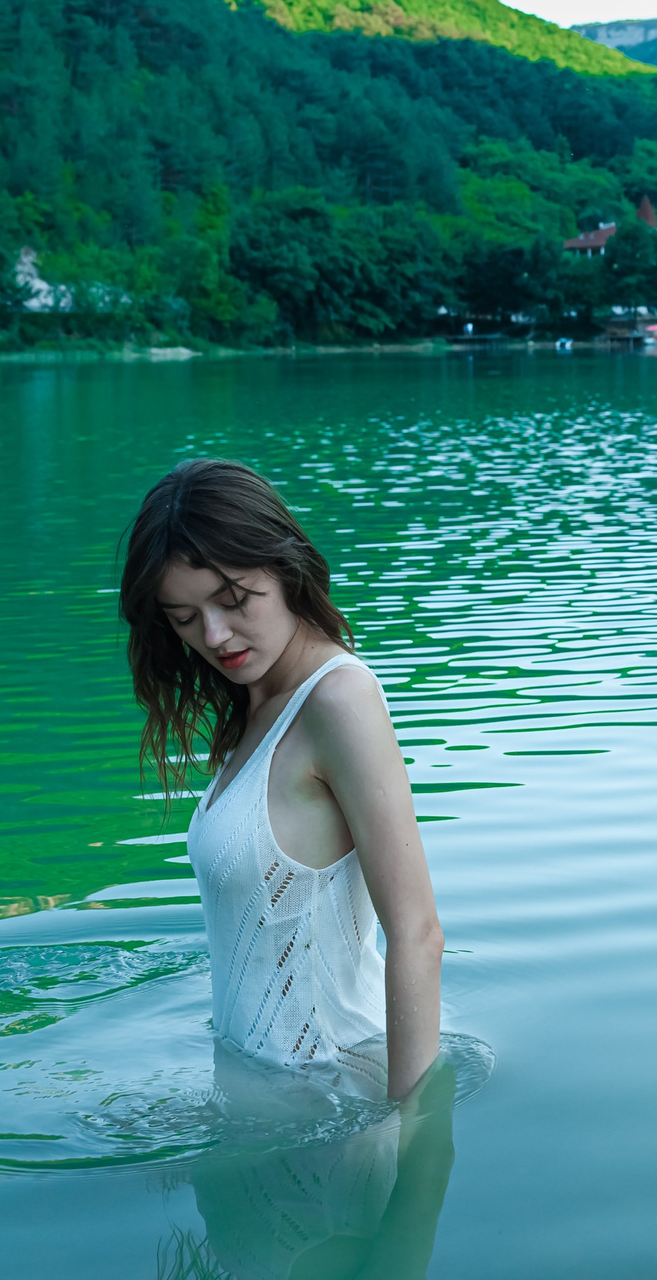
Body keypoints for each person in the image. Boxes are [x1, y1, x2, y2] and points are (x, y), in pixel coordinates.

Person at [119, 458, 442, 1103]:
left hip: (332, 1093)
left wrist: (410, 1132)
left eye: (234, 600)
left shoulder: (339, 700)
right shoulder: (258, 702)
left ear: (286, 568)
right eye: (184, 617)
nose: (215, 636)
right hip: (260, 1092)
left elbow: (417, 932)